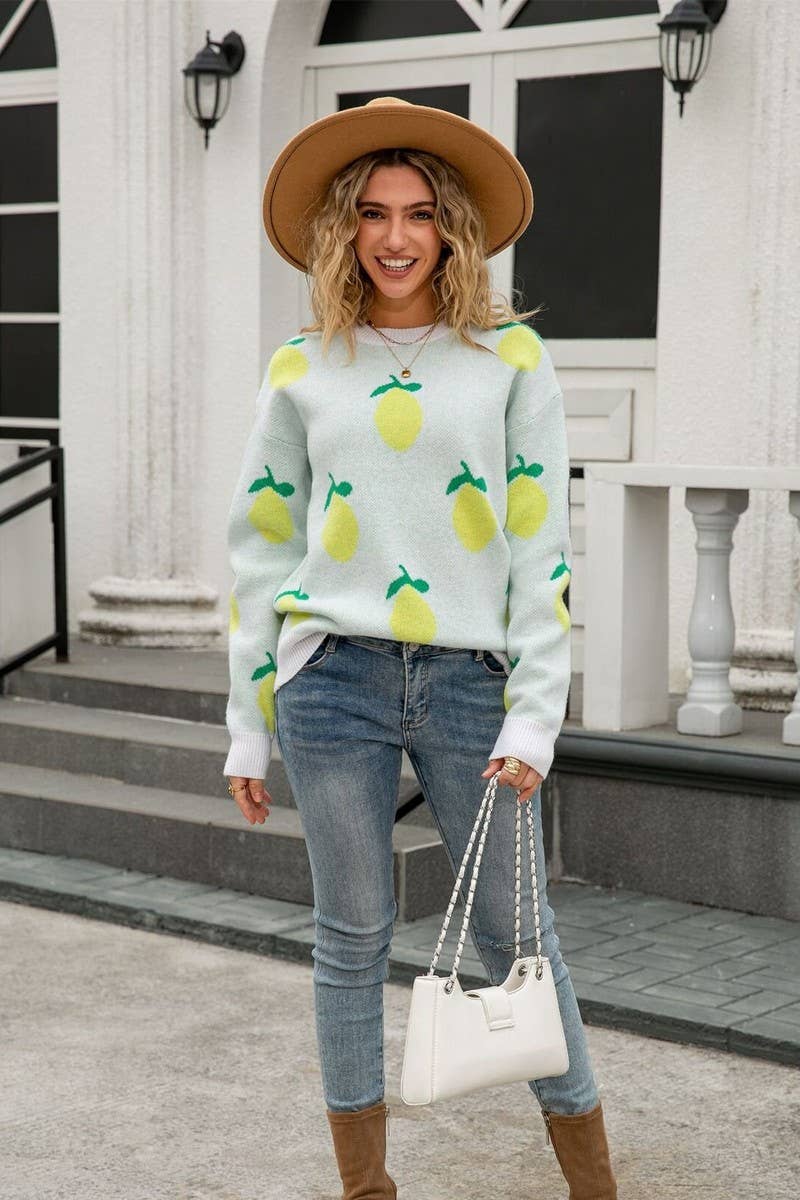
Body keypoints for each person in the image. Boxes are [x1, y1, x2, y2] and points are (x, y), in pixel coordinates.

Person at [223, 96, 617, 1200]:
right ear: (341, 230)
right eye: (372, 214)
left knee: (516, 939)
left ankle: (594, 1186)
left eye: (419, 214)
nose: (395, 237)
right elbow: (261, 545)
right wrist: (249, 721)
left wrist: (535, 715)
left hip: (471, 684)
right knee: (350, 937)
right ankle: (366, 1190)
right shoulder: (303, 365)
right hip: (331, 679)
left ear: (451, 230)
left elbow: (540, 547)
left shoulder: (509, 359)